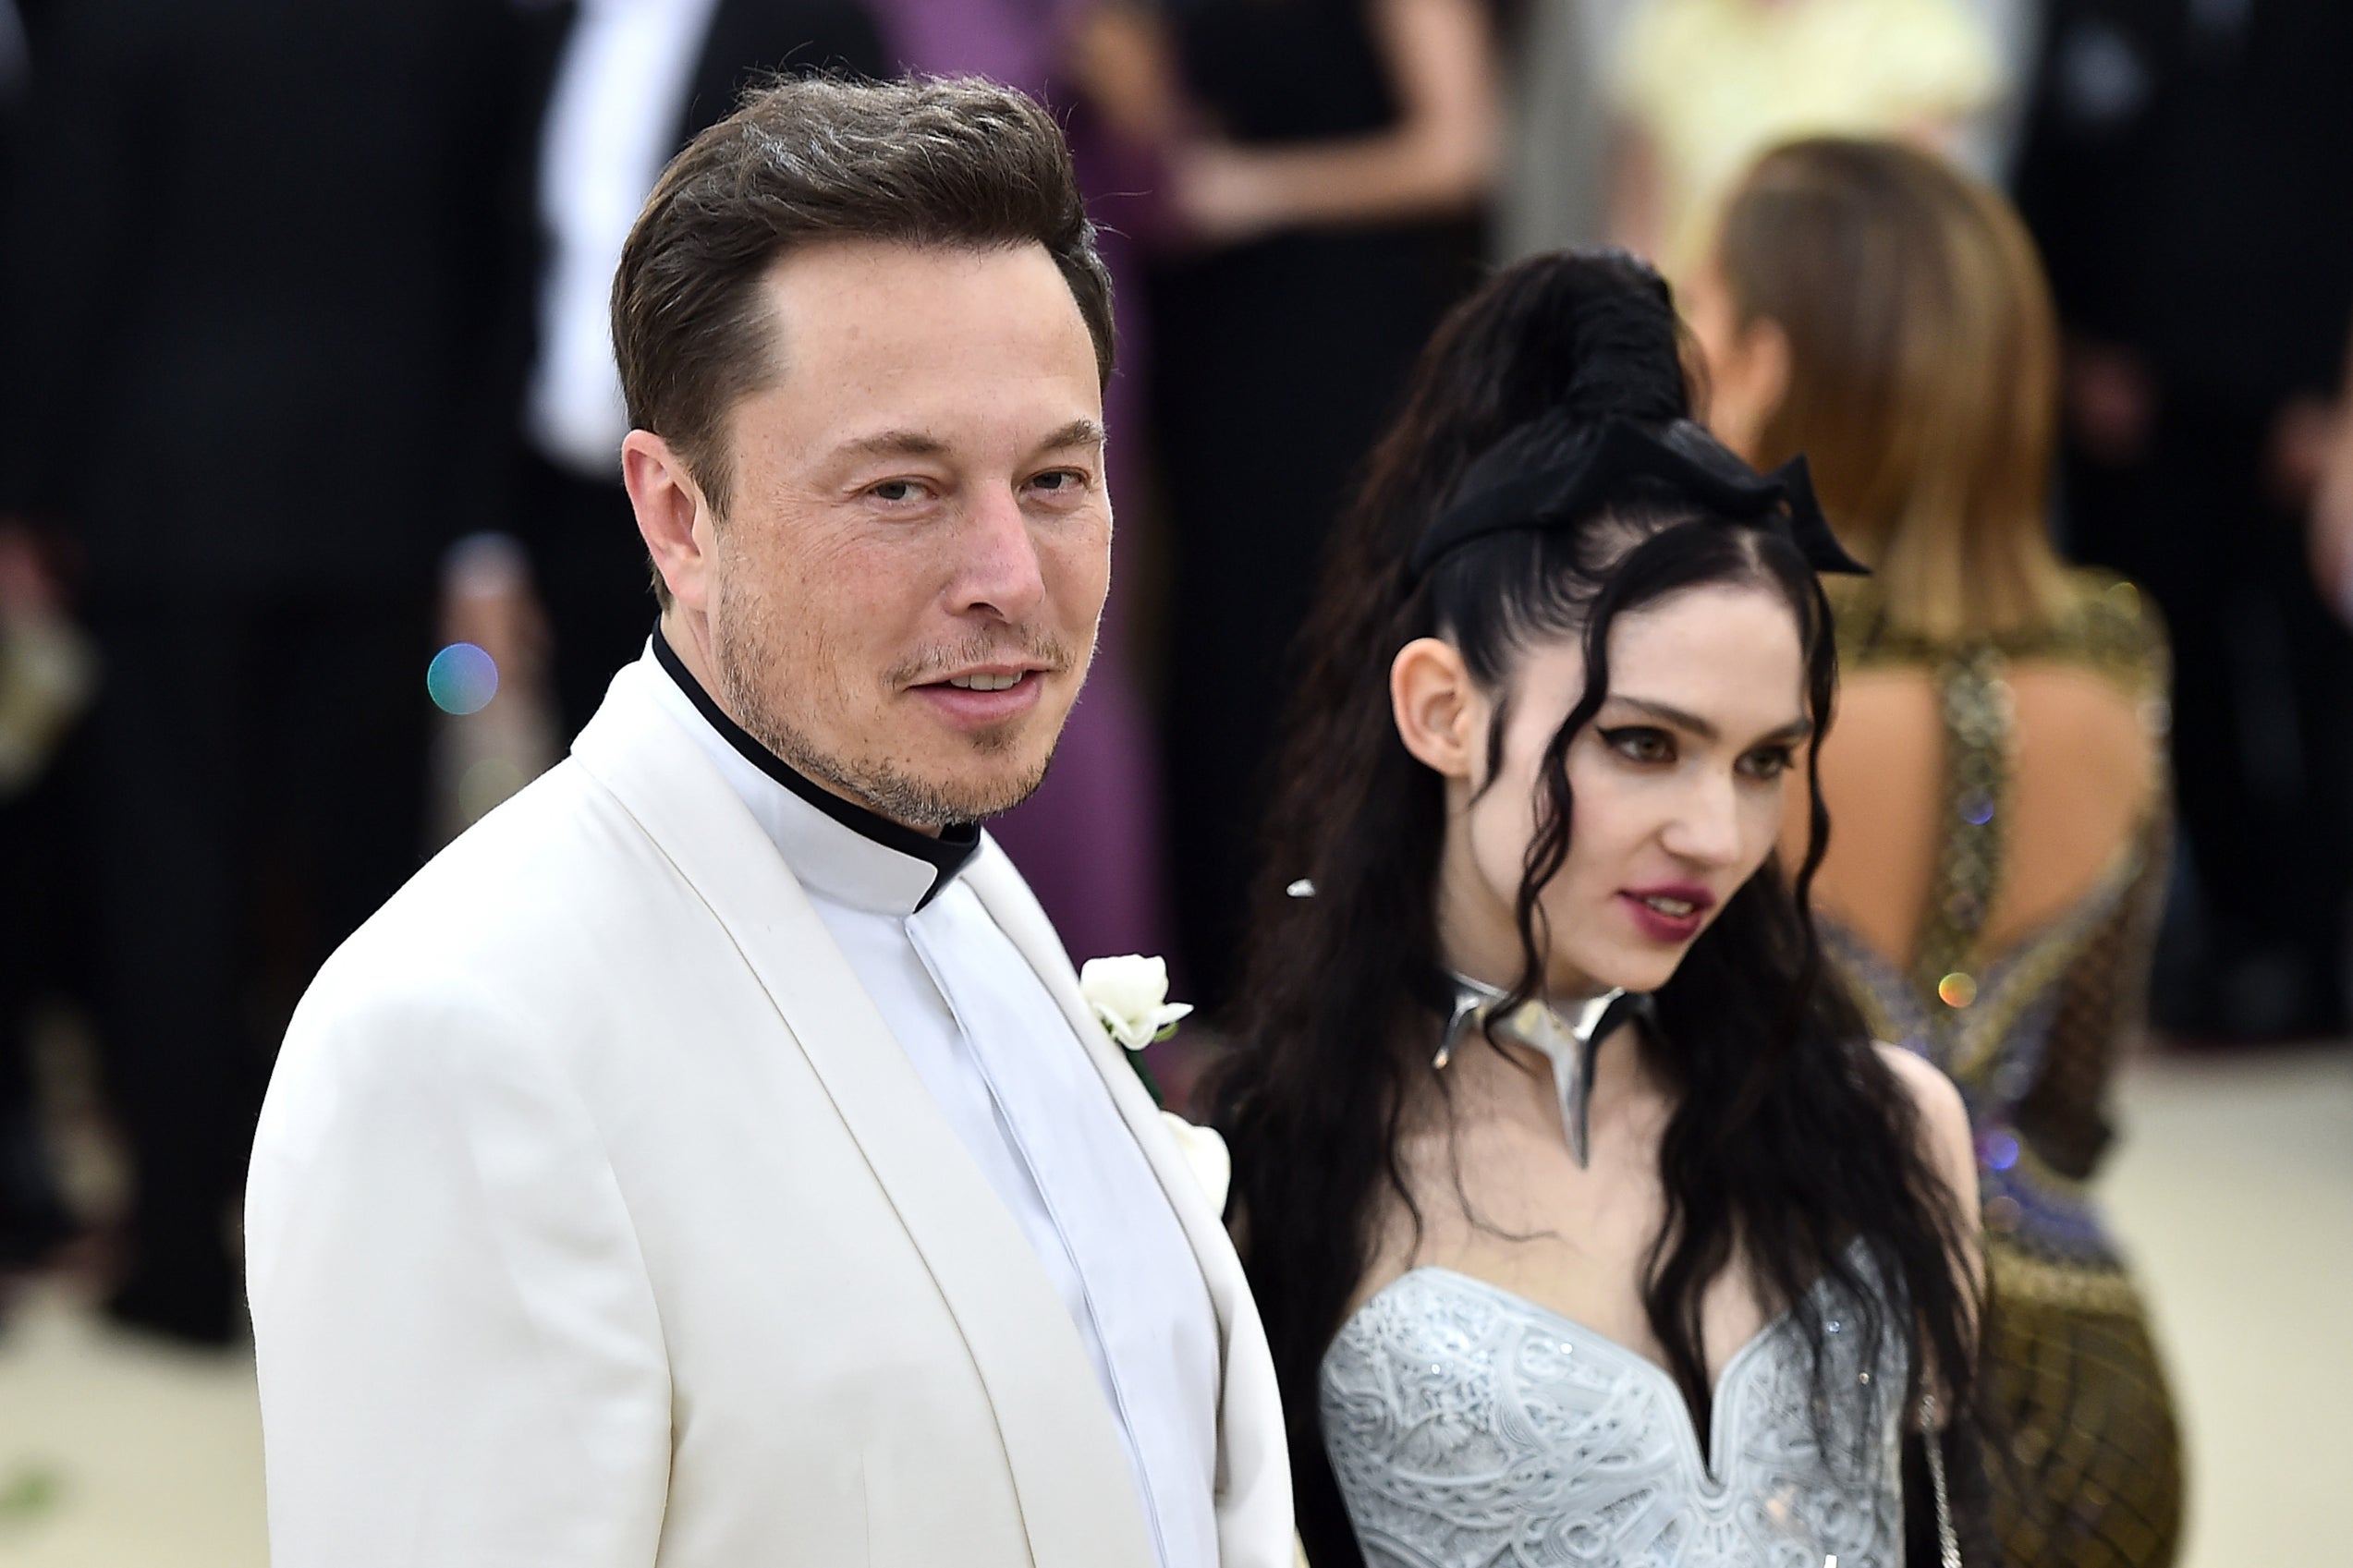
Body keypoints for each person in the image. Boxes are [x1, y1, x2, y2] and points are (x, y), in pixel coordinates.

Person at [245, 78, 1292, 1568]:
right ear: (678, 517)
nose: (1008, 571)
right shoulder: (455, 1037)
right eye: (902, 488)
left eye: (1056, 477)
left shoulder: (969, 884)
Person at [1208, 249, 1987, 1567]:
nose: (1717, 834)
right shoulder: (1269, 1175)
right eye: (1640, 743)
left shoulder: (1891, 1128)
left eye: (1761, 761)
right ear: (1440, 711)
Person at [0, 0, 541, 1345]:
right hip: (383, 498)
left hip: (161, 501)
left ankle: (181, 1270)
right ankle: (362, 1276)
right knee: (371, 901)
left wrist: (26, 491)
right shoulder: (464, 26)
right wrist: (476, 508)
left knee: (166, 895)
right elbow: (502, 255)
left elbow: (63, 246)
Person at [1684, 135, 2184, 1566]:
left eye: (1699, 312)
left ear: (1773, 365)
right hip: (2091, 1390)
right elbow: (2075, 1098)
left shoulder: (1717, 687)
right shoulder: (2116, 657)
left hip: (1790, 1383)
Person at [1100, 0, 1502, 1010]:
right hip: (1210, 346)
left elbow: (1458, 148)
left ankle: (1348, 991)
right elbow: (1175, 135)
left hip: (1338, 338)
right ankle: (1228, 1006)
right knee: (1219, 664)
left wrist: (1257, 189)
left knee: (1325, 647)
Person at [2013, 0, 2353, 1039]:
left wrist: (2338, 406)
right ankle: (2227, 939)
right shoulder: (2097, 14)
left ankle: (2316, 940)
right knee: (2163, 673)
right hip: (2136, 421)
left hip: (2297, 418)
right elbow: (2045, 175)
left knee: (2315, 684)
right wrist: (2069, 350)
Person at [508, 0, 884, 741]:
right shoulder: (549, 28)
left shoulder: (812, 20)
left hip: (728, 491)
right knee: (595, 780)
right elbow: (511, 268)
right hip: (566, 498)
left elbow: (851, 259)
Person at [1605, 0, 1998, 273]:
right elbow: (1638, 231)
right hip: (1697, 334)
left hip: (1833, 344)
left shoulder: (1913, 30)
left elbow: (1912, 246)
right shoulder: (1676, 22)